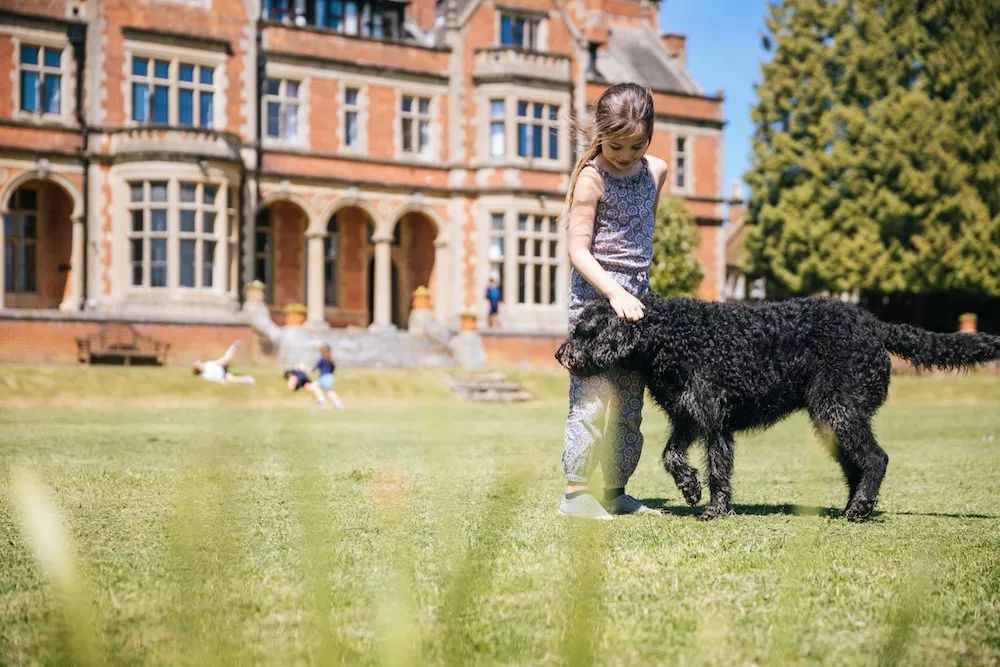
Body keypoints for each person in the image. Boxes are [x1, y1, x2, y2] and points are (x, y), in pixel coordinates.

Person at [558, 82, 669, 519]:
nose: (625, 155)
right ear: (600, 134)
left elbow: (643, 236)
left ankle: (614, 490)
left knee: (629, 405)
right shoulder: (591, 178)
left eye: (636, 145)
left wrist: (635, 291)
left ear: (650, 136)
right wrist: (614, 291)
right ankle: (575, 494)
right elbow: (578, 250)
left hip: (636, 304)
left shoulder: (656, 171)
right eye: (616, 145)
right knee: (591, 400)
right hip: (594, 304)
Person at [313, 343, 345, 409]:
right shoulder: (330, 359)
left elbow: (316, 366)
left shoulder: (322, 359)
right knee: (328, 391)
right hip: (330, 377)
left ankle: (321, 401)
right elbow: (333, 368)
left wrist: (312, 369)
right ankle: (338, 403)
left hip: (324, 377)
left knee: (314, 386)